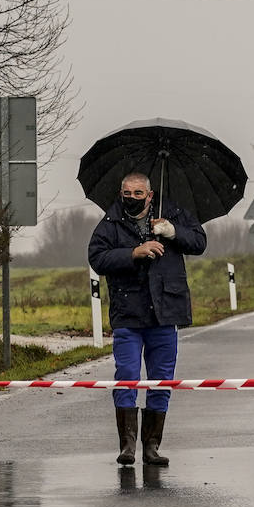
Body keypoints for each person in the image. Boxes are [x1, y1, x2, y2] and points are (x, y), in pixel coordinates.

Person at [88, 172, 206, 466]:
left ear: (150, 195)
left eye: (138, 193)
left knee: (161, 380)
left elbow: (200, 242)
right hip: (128, 313)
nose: (131, 198)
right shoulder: (110, 222)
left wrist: (173, 231)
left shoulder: (172, 213)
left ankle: (151, 447)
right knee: (127, 376)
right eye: (126, 192)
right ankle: (127, 447)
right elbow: (98, 258)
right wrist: (134, 252)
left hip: (166, 312)